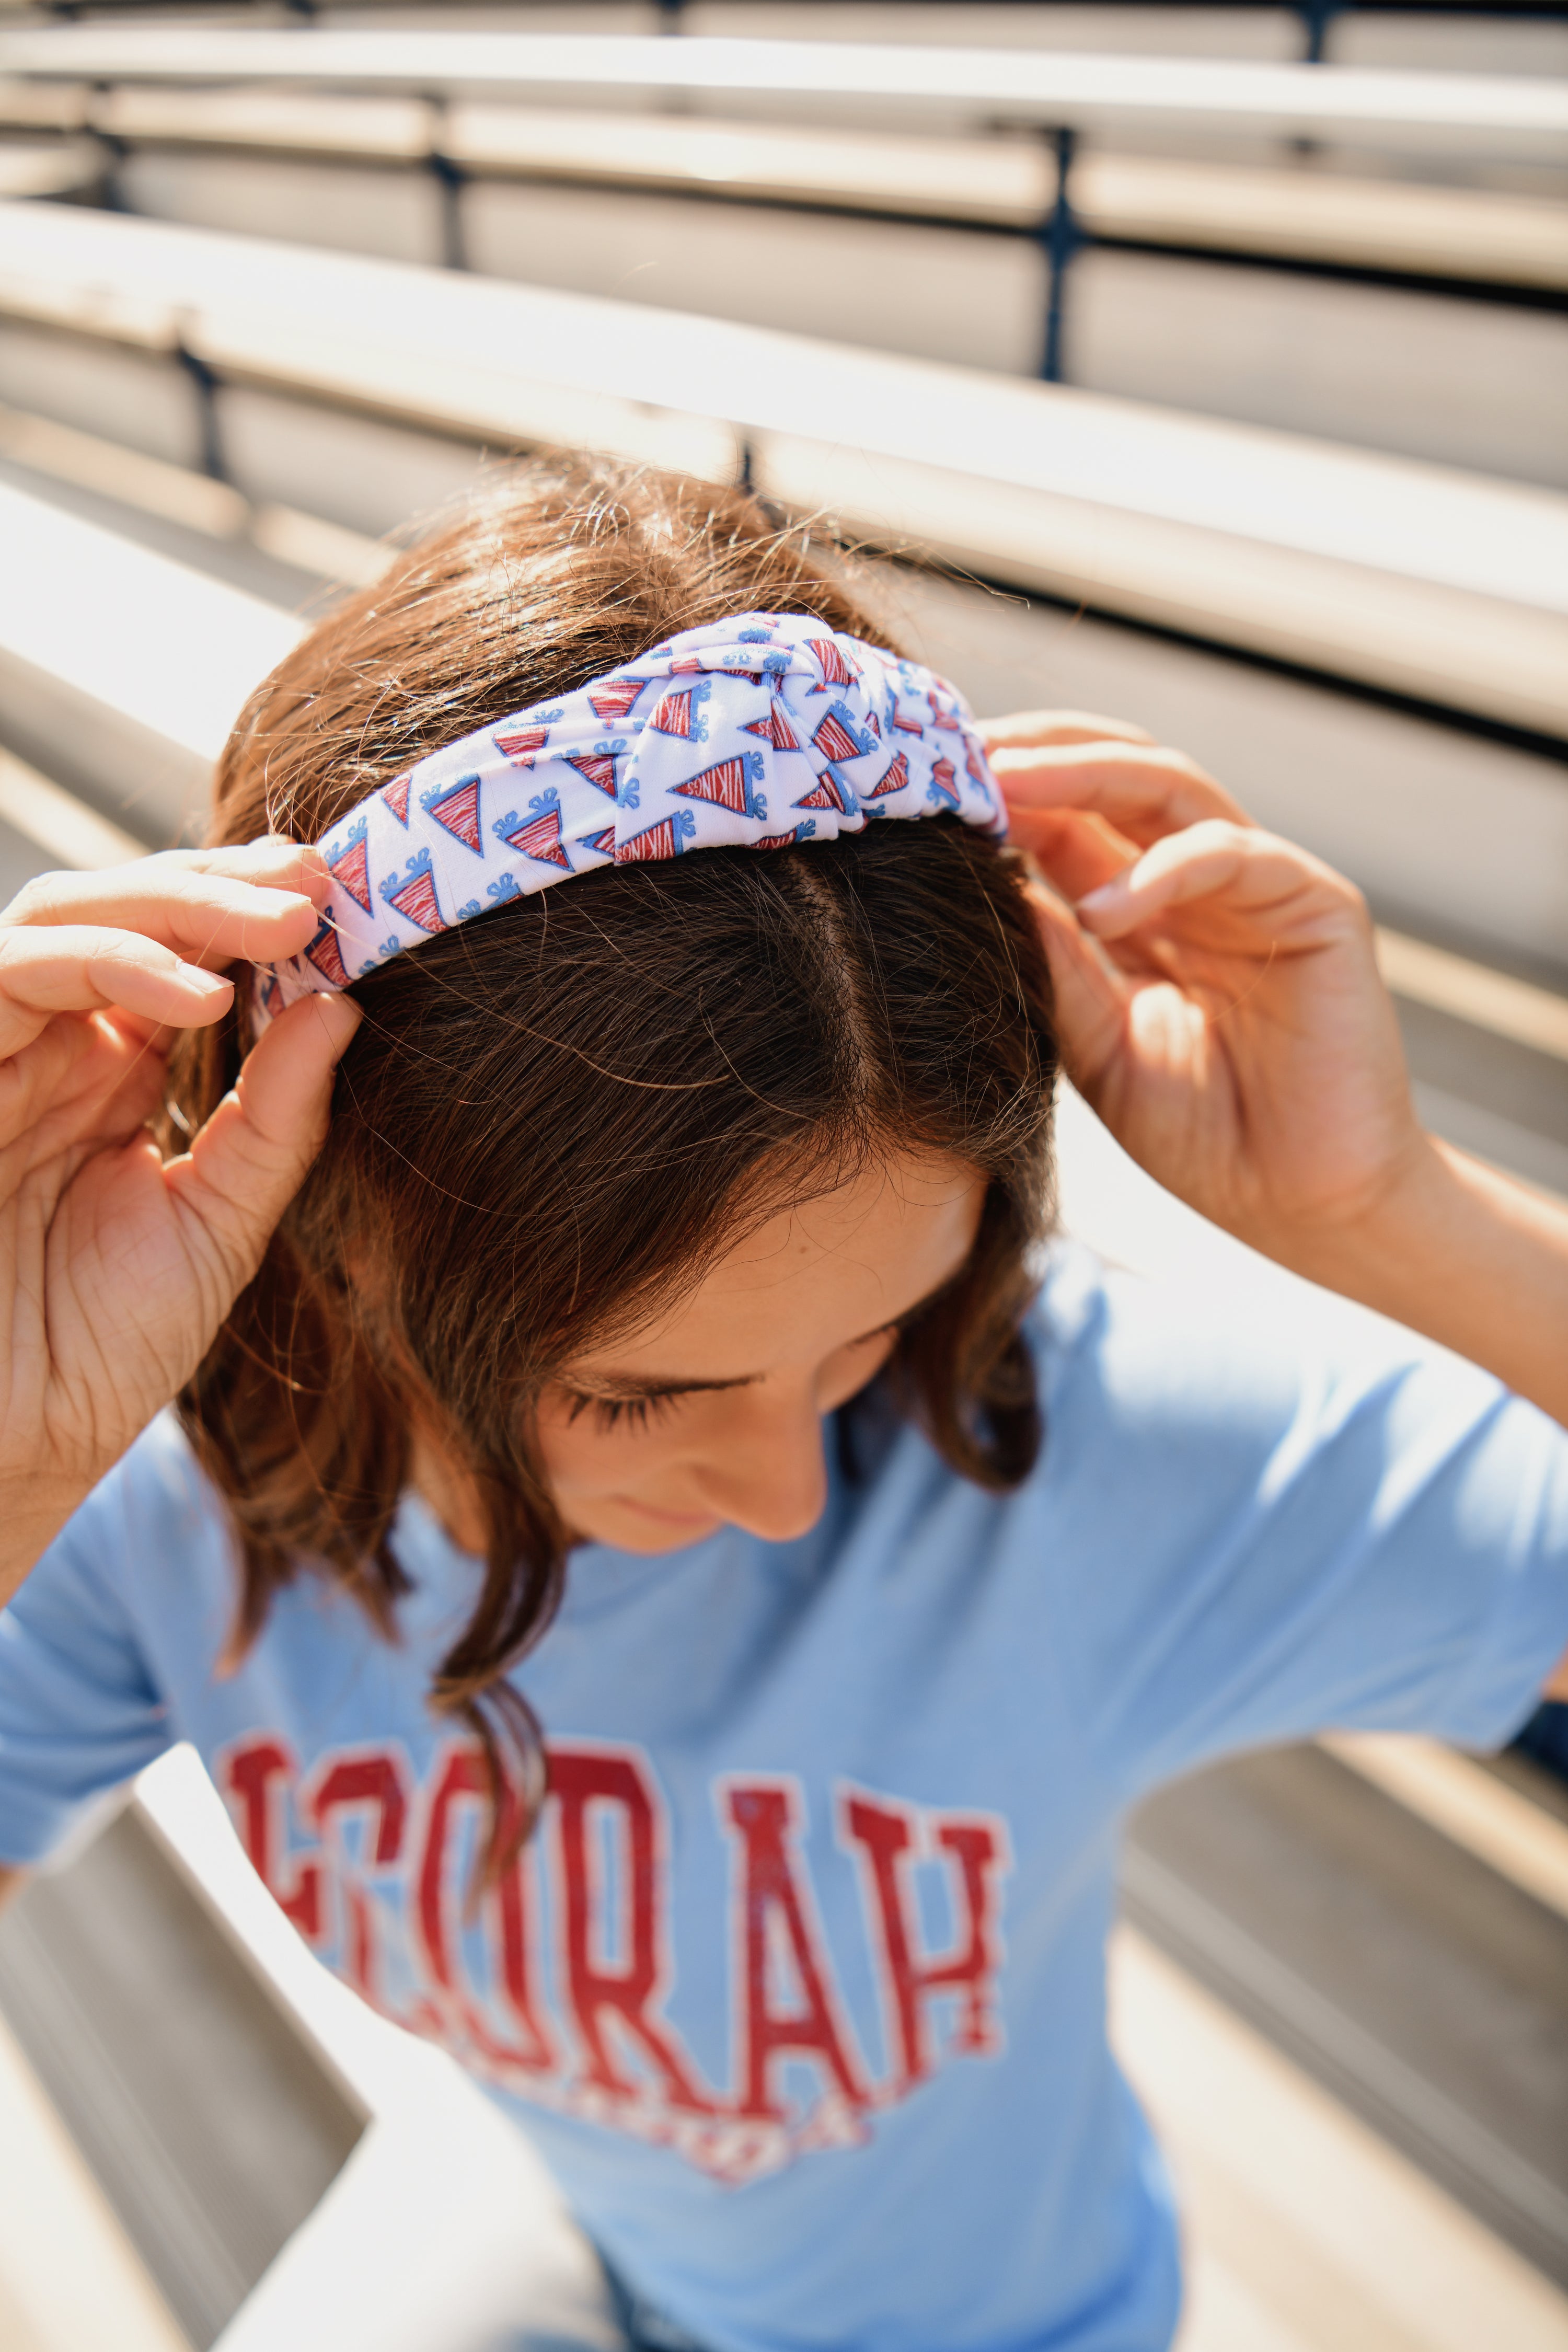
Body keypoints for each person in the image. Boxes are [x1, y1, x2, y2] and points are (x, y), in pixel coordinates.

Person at [0, 458, 1563, 2352]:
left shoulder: (1066, 1449)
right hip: (556, 2211)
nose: (792, 1491)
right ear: (341, 1225)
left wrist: (1391, 1217)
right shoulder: (179, 1482)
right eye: (645, 1393)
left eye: (860, 1344)